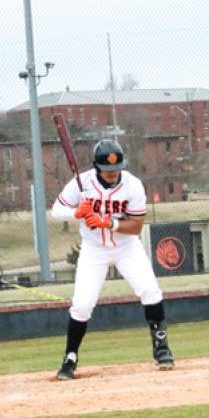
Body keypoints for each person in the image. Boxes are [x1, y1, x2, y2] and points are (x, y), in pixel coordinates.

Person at [51, 139, 174, 380]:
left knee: (150, 290)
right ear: (97, 167)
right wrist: (78, 213)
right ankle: (70, 358)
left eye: (116, 169)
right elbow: (56, 211)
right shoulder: (82, 183)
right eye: (107, 170)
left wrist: (108, 222)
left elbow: (136, 226)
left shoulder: (133, 185)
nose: (112, 174)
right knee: (82, 305)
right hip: (94, 248)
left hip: (126, 247)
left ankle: (161, 347)